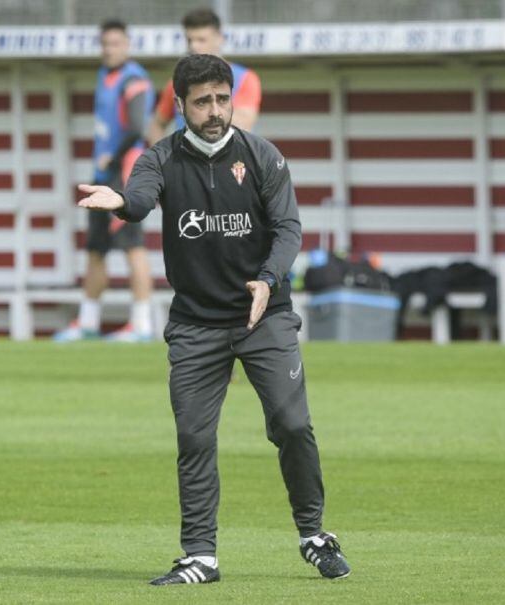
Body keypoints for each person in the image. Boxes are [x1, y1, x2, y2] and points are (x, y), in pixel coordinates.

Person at [77, 54, 350, 585]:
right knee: (195, 437)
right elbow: (139, 199)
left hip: (263, 314)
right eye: (202, 101)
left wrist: (267, 278)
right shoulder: (158, 159)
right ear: (179, 106)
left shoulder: (262, 155)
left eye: (222, 99)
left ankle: (314, 535)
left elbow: (289, 228)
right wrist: (121, 204)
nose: (215, 110)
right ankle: (200, 555)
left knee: (293, 425)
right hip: (197, 324)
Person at [54, 19, 156, 343]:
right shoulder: (104, 77)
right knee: (95, 249)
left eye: (116, 43)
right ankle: (87, 322)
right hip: (101, 175)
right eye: (105, 43)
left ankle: (141, 325)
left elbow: (139, 127)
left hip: (123, 175)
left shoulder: (134, 79)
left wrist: (112, 160)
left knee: (132, 247)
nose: (110, 49)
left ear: (127, 45)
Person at [144, 7, 261, 146]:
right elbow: (156, 124)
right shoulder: (176, 82)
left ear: (219, 39)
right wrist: (162, 161)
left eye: (201, 40)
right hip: (185, 164)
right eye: (189, 40)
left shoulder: (245, 78)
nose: (194, 46)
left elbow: (243, 125)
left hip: (229, 163)